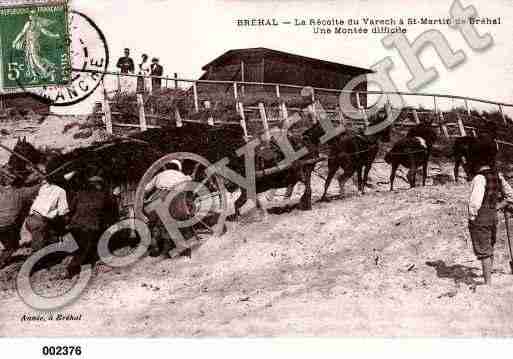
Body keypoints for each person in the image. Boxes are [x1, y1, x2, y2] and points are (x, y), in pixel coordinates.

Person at [467, 139, 513, 285]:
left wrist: (472, 216)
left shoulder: (479, 178)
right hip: (493, 216)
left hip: (481, 217)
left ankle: (488, 283)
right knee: (489, 246)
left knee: (483, 249)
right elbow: (511, 195)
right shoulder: (498, 176)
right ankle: (489, 278)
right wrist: (500, 205)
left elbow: (475, 202)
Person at [65, 176, 118, 278]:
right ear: (100, 185)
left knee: (81, 246)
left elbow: (71, 209)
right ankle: (71, 268)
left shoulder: (80, 193)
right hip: (89, 226)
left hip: (74, 225)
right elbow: (111, 212)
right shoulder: (105, 195)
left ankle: (85, 261)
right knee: (83, 249)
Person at [144, 160, 195, 257]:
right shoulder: (180, 174)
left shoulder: (159, 175)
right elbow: (189, 180)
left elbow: (146, 188)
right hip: (178, 197)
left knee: (161, 223)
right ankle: (186, 251)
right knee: (182, 221)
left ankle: (158, 249)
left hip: (163, 197)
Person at [25, 165, 71, 252]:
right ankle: (33, 262)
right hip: (40, 222)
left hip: (30, 220)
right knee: (37, 248)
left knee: (44, 236)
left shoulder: (43, 188)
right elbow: (63, 211)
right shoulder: (61, 191)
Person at [0, 177, 41, 268]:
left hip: (2, 225)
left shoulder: (4, 192)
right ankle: (2, 262)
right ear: (22, 185)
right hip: (8, 225)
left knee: (8, 244)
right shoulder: (23, 192)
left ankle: (4, 257)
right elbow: (37, 188)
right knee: (12, 246)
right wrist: (42, 181)